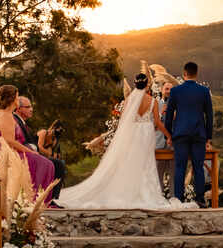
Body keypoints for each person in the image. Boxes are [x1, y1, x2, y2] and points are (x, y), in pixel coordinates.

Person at [59, 73, 189, 210]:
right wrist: (169, 136)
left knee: (130, 162)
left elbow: (123, 123)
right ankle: (142, 194)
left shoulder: (129, 100)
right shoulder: (152, 101)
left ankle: (128, 191)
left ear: (135, 84)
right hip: (146, 135)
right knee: (145, 164)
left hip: (133, 135)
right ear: (147, 85)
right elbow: (157, 122)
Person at [0, 85, 56, 202]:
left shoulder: (6, 114)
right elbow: (10, 142)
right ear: (11, 99)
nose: (17, 99)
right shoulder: (5, 116)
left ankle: (34, 199)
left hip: (9, 151)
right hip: (4, 154)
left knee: (45, 162)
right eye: (17, 96)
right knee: (46, 164)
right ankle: (34, 200)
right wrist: (30, 152)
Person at [163, 61, 214, 207]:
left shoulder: (175, 91)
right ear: (196, 74)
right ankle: (200, 200)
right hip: (199, 134)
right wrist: (208, 137)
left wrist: (169, 135)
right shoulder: (204, 91)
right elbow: (209, 116)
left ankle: (179, 200)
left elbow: (169, 114)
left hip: (180, 134)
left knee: (180, 167)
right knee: (198, 167)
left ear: (184, 74)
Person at [14, 96, 67, 201]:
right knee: (58, 164)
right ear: (18, 109)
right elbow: (22, 142)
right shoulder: (15, 120)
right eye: (28, 107)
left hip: (31, 153)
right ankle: (48, 199)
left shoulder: (21, 122)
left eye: (31, 107)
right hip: (24, 155)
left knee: (59, 163)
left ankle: (51, 199)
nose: (31, 109)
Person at [155, 81, 174, 194]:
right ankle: (158, 197)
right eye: (166, 89)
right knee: (158, 174)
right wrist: (161, 114)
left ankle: (173, 198)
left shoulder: (177, 105)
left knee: (174, 173)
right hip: (159, 144)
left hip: (173, 145)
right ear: (162, 90)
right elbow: (152, 124)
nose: (168, 92)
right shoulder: (155, 104)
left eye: (171, 90)